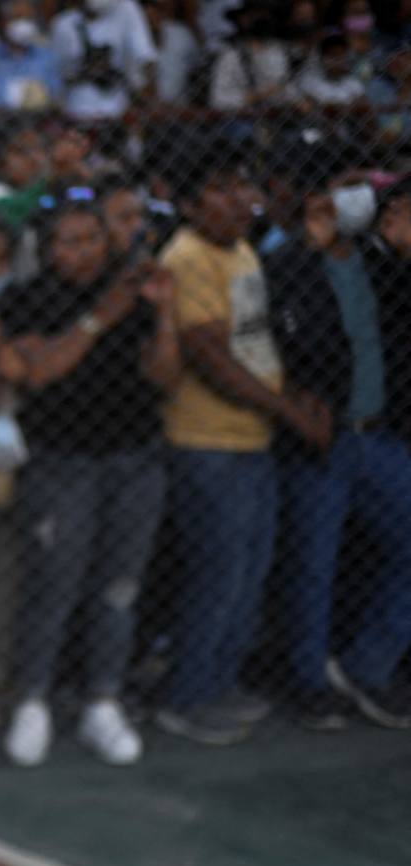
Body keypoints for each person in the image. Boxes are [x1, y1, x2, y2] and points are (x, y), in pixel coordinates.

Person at [154, 139, 331, 745]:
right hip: (208, 442)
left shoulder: (243, 253)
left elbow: (260, 342)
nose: (241, 199)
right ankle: (188, 697)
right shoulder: (188, 257)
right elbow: (211, 357)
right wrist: (289, 410)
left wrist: (293, 398)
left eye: (242, 186)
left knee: (249, 570)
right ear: (188, 202)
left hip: (252, 439)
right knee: (218, 572)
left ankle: (220, 683)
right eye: (222, 188)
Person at [0, 201, 180, 767]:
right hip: (61, 464)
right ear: (49, 248)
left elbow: (166, 376)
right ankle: (33, 702)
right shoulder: (29, 298)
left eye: (91, 239)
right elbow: (37, 369)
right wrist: (102, 316)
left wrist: (166, 313)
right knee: (53, 587)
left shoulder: (137, 296)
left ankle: (103, 700)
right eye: (68, 241)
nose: (81, 251)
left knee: (119, 589)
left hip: (135, 461)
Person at [265, 161, 411, 731]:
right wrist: (311, 242)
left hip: (378, 435)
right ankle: (308, 681)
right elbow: (274, 306)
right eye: (338, 189)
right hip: (319, 436)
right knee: (312, 564)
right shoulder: (288, 258)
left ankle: (365, 667)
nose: (352, 199)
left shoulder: (380, 261)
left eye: (360, 188)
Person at [50, 0, 158, 120]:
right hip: (78, 110)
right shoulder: (63, 24)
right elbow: (59, 76)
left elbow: (146, 57)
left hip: (120, 107)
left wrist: (145, 98)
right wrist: (87, 72)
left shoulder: (126, 9)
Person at [0, 0, 63, 115]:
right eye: (17, 18)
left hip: (38, 124)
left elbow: (56, 96)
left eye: (28, 19)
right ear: (1, 22)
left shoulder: (46, 57)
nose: (23, 25)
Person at [206, 0, 295, 111]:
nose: (262, 18)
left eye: (266, 14)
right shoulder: (230, 55)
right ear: (242, 19)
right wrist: (256, 96)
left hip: (276, 116)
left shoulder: (278, 51)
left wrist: (296, 100)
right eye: (255, 14)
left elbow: (287, 90)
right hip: (239, 118)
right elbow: (217, 99)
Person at [141, 0, 200, 105]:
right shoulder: (133, 43)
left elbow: (196, 68)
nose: (152, 21)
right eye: (147, 20)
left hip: (182, 108)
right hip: (146, 111)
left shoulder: (181, 34)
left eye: (156, 15)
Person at [297, 32, 367, 106]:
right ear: (322, 58)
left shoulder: (352, 81)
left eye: (342, 56)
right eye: (334, 56)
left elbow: (364, 107)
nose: (339, 61)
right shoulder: (308, 80)